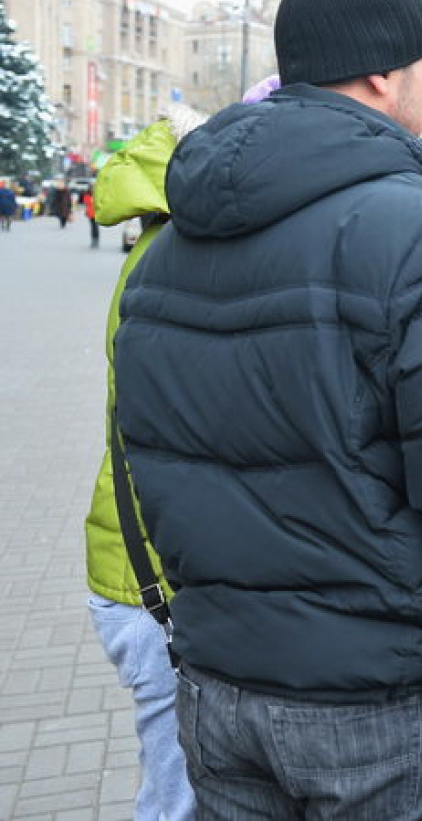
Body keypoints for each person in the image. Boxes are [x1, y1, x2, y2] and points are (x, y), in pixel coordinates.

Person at [113, 0, 422, 820]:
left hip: (219, 686)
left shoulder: (167, 246)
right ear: (378, 70)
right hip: (378, 697)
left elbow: (146, 454)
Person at [85, 106, 205, 821]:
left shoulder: (164, 238)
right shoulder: (179, 257)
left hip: (140, 571)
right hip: (156, 582)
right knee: (178, 799)